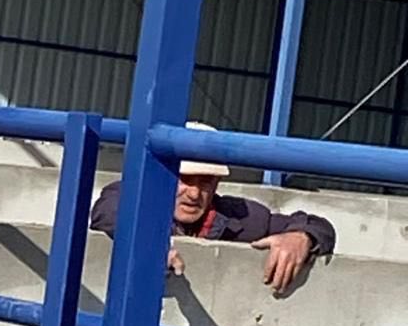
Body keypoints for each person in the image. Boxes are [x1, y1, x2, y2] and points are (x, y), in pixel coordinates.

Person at [90, 122, 336, 294]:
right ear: (162, 177)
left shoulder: (244, 218)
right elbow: (107, 210)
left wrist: (300, 237)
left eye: (205, 182)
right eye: (185, 179)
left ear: (217, 183)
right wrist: (149, 242)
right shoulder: (134, 198)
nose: (194, 193)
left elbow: (320, 226)